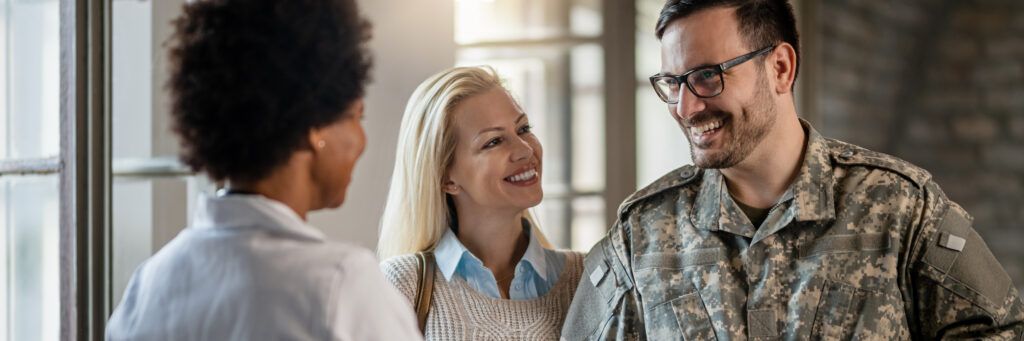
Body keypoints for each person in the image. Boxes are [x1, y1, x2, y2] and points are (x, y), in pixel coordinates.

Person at [562, 0, 1024, 339]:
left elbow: (1001, 332)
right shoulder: (640, 232)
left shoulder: (901, 207)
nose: (686, 107)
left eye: (707, 76)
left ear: (780, 68)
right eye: (672, 83)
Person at [105, 0, 420, 339]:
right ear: (314, 125)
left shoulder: (150, 286)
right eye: (356, 117)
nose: (362, 140)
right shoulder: (341, 286)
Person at [377, 66, 584, 340]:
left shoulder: (587, 277)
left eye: (523, 128)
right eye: (494, 141)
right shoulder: (403, 283)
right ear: (446, 178)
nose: (525, 150)